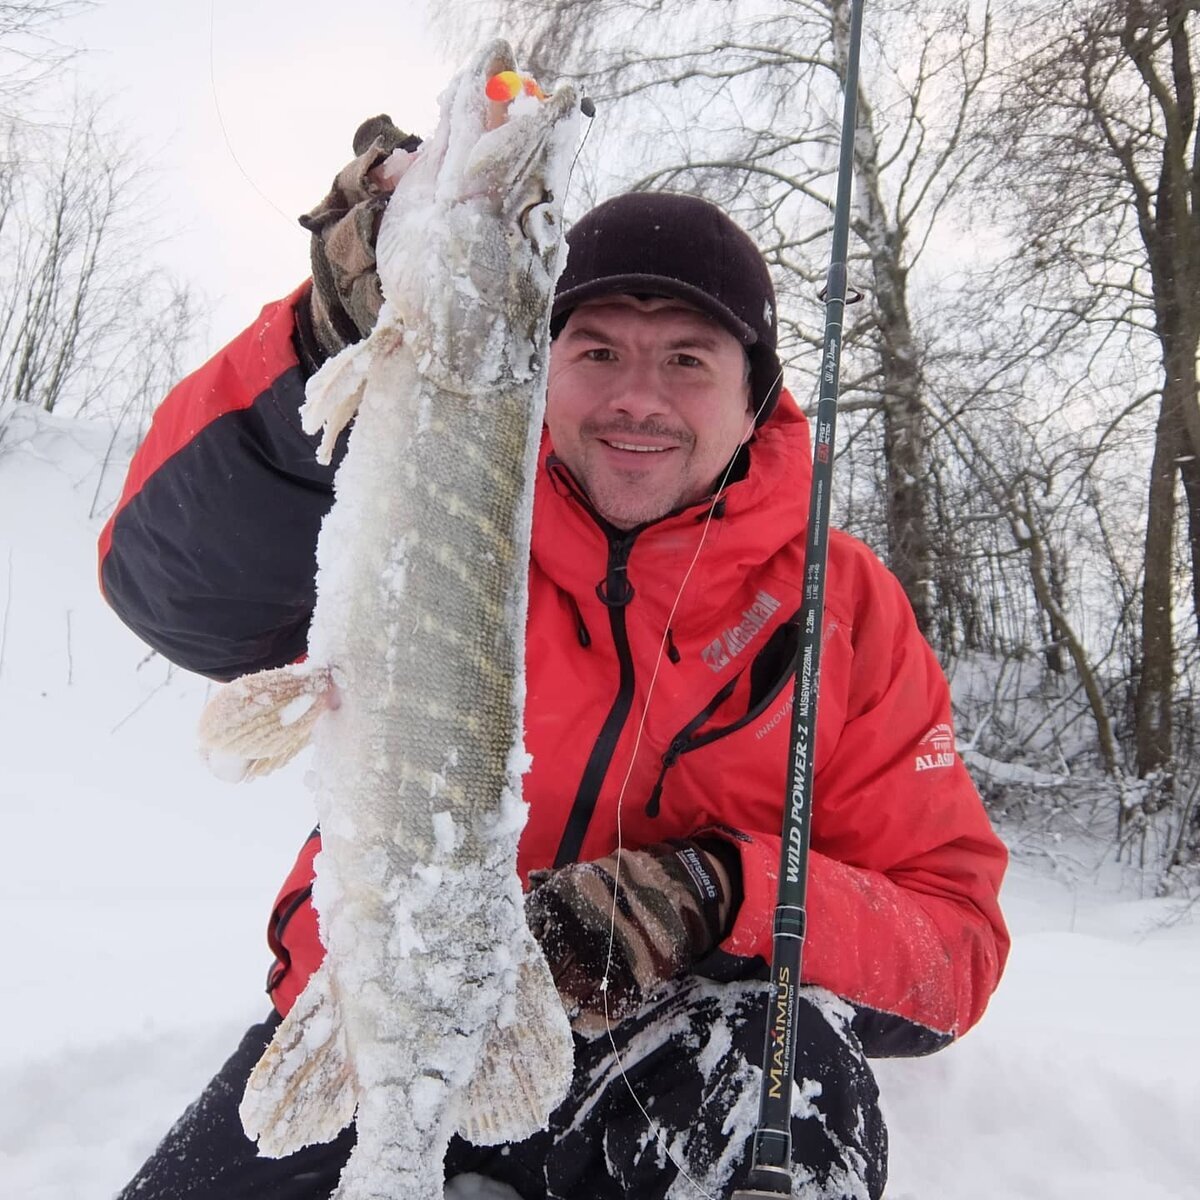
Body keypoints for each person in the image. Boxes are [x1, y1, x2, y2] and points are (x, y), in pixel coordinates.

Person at [98, 115, 1009, 1200]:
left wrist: (720, 894)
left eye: (687, 359)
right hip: (367, 1012)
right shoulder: (423, 488)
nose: (638, 397)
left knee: (790, 1072)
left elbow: (953, 945)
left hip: (656, 1056)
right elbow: (173, 589)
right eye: (597, 351)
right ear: (543, 364)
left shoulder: (845, 608)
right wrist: (321, 338)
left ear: (754, 394)